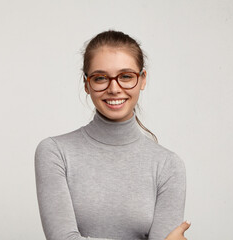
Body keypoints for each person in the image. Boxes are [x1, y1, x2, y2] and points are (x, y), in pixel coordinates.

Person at [35, 30, 189, 240]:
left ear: (142, 80)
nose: (114, 88)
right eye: (100, 78)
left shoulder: (168, 165)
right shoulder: (55, 152)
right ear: (87, 83)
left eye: (126, 76)